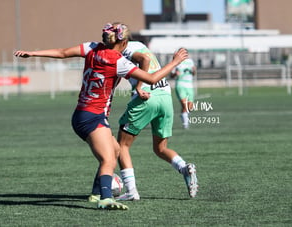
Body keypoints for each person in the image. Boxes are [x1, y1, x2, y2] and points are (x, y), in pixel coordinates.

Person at [14, 22, 188, 210]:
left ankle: (96, 193)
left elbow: (63, 52)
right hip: (92, 117)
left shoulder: (91, 48)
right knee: (108, 160)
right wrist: (175, 62)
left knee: (115, 150)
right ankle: (105, 198)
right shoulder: (118, 61)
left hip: (84, 114)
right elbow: (152, 79)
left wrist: (33, 54)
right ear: (124, 42)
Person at [112, 41, 198, 201]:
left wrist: (138, 86)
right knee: (160, 148)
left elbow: (144, 59)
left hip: (146, 97)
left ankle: (131, 192)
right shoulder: (138, 44)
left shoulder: (123, 51)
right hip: (165, 96)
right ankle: (185, 168)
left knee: (122, 146)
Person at [171, 49, 196, 129]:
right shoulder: (176, 62)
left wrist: (194, 71)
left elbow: (194, 73)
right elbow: (171, 75)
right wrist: (175, 74)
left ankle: (183, 115)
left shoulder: (190, 61)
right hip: (180, 85)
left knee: (190, 107)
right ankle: (185, 124)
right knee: (185, 105)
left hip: (189, 86)